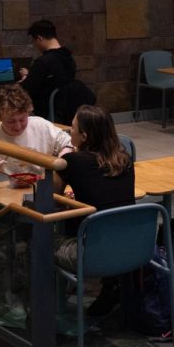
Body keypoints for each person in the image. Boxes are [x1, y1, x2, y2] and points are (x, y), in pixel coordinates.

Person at [52, 105, 135, 274]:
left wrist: (60, 161)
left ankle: (44, 298)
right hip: (131, 246)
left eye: (73, 127)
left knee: (37, 240)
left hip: (91, 252)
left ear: (84, 136)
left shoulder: (72, 161)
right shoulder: (125, 159)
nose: (69, 131)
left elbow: (50, 199)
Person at [0, 85, 72, 186]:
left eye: (22, 119)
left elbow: (70, 144)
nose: (18, 126)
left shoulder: (41, 125)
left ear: (28, 113)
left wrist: (61, 159)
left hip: (40, 189)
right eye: (11, 122)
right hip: (3, 196)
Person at [18, 20, 76, 120]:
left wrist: (25, 77)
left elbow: (27, 90)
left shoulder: (43, 62)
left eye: (34, 41)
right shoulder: (70, 59)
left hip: (44, 114)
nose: (35, 45)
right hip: (68, 110)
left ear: (39, 38)